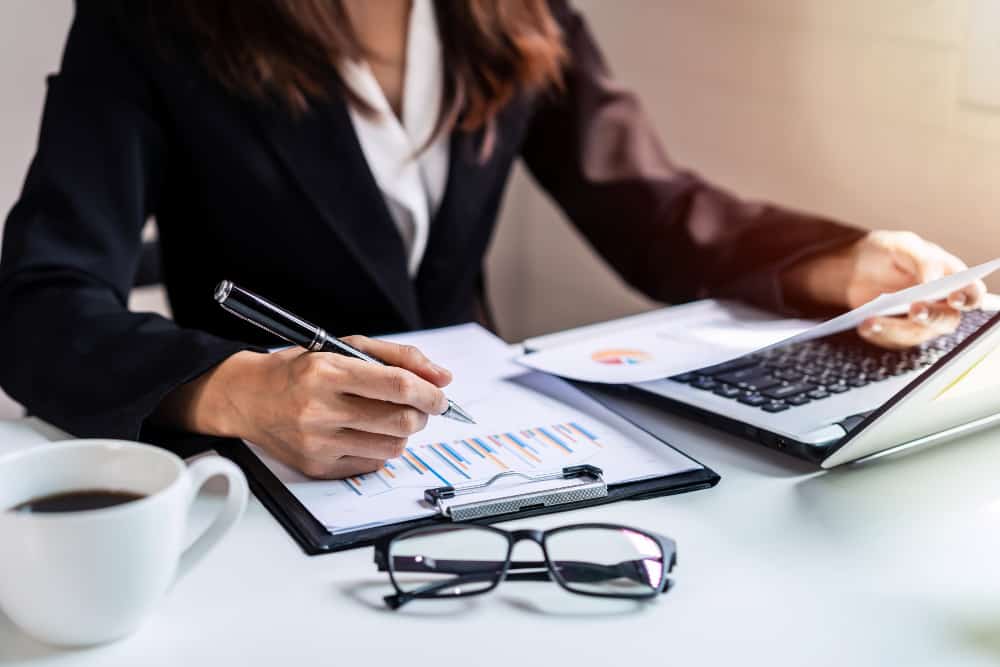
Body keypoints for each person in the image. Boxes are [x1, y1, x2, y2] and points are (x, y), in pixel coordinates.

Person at [0, 0, 985, 479]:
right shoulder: (151, 20)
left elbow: (643, 199)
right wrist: (234, 387)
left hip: (484, 447)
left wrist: (834, 263)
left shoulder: (516, 11)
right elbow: (38, 302)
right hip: (269, 478)